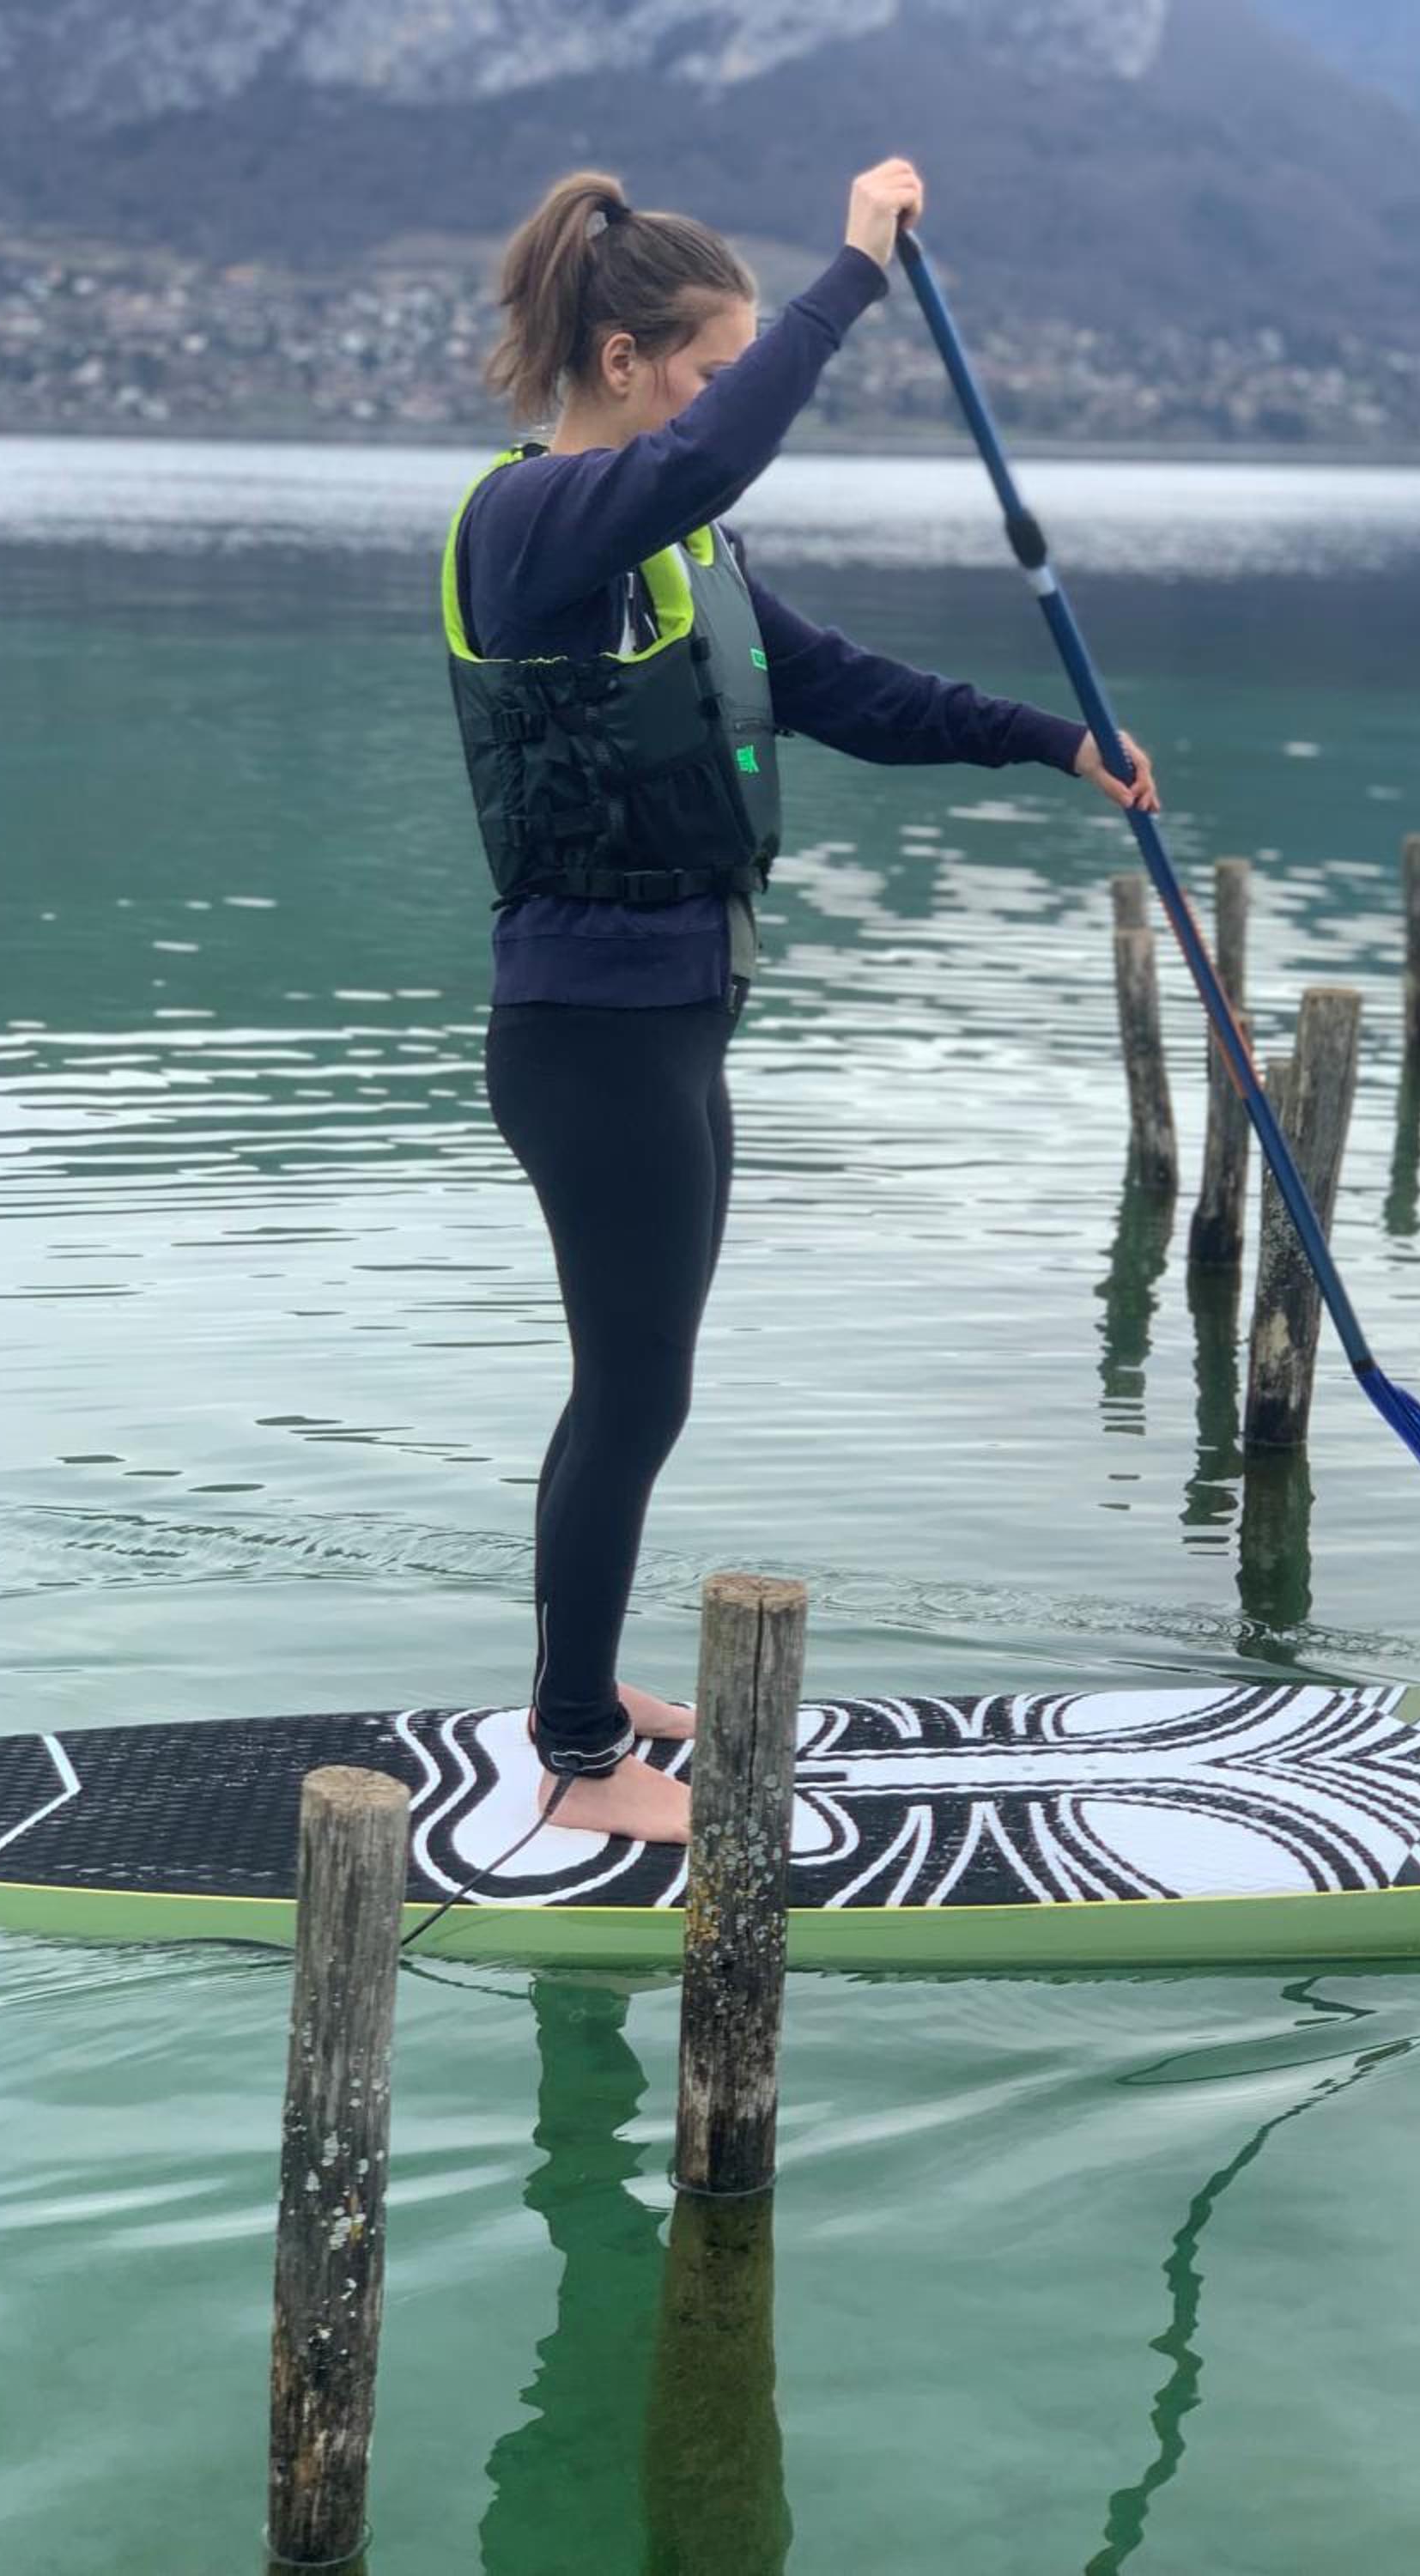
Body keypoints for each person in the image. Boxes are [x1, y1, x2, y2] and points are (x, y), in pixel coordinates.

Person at [441, 155, 1162, 1846]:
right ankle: (576, 1761)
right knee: (634, 1390)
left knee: (637, 1384)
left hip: (674, 1018)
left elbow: (845, 688)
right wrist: (854, 278)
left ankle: (574, 1686)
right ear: (623, 361)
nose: (718, 398)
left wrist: (1052, 743)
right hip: (587, 1033)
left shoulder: (680, 553)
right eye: (708, 365)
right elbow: (713, 451)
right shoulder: (529, 529)